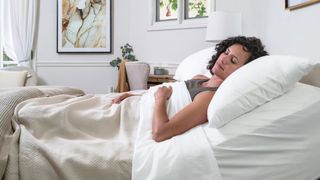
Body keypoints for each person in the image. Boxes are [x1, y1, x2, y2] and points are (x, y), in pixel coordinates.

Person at [112, 36, 268, 142]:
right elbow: (162, 91)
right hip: (132, 105)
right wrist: (133, 95)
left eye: (233, 60)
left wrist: (160, 99)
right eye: (226, 52)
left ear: (241, 73)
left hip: (133, 121)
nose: (224, 58)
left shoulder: (209, 97)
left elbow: (160, 133)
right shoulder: (200, 78)